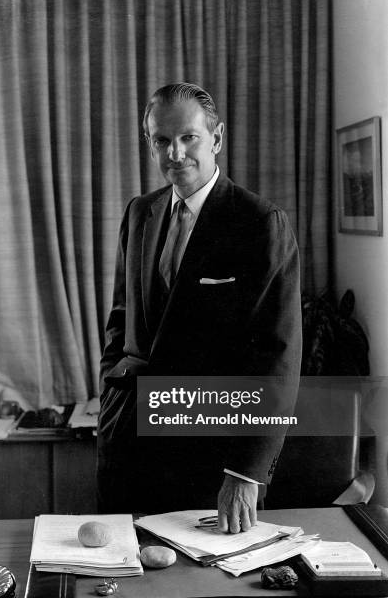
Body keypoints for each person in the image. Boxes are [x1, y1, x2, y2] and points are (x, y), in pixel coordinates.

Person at [97, 83, 302, 532]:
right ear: (149, 142)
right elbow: (120, 321)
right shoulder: (140, 213)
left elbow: (277, 357)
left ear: (217, 138)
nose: (175, 153)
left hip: (210, 457)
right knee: (120, 578)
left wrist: (245, 473)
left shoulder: (259, 223)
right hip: (127, 444)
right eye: (161, 140)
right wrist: (109, 398)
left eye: (188, 137)